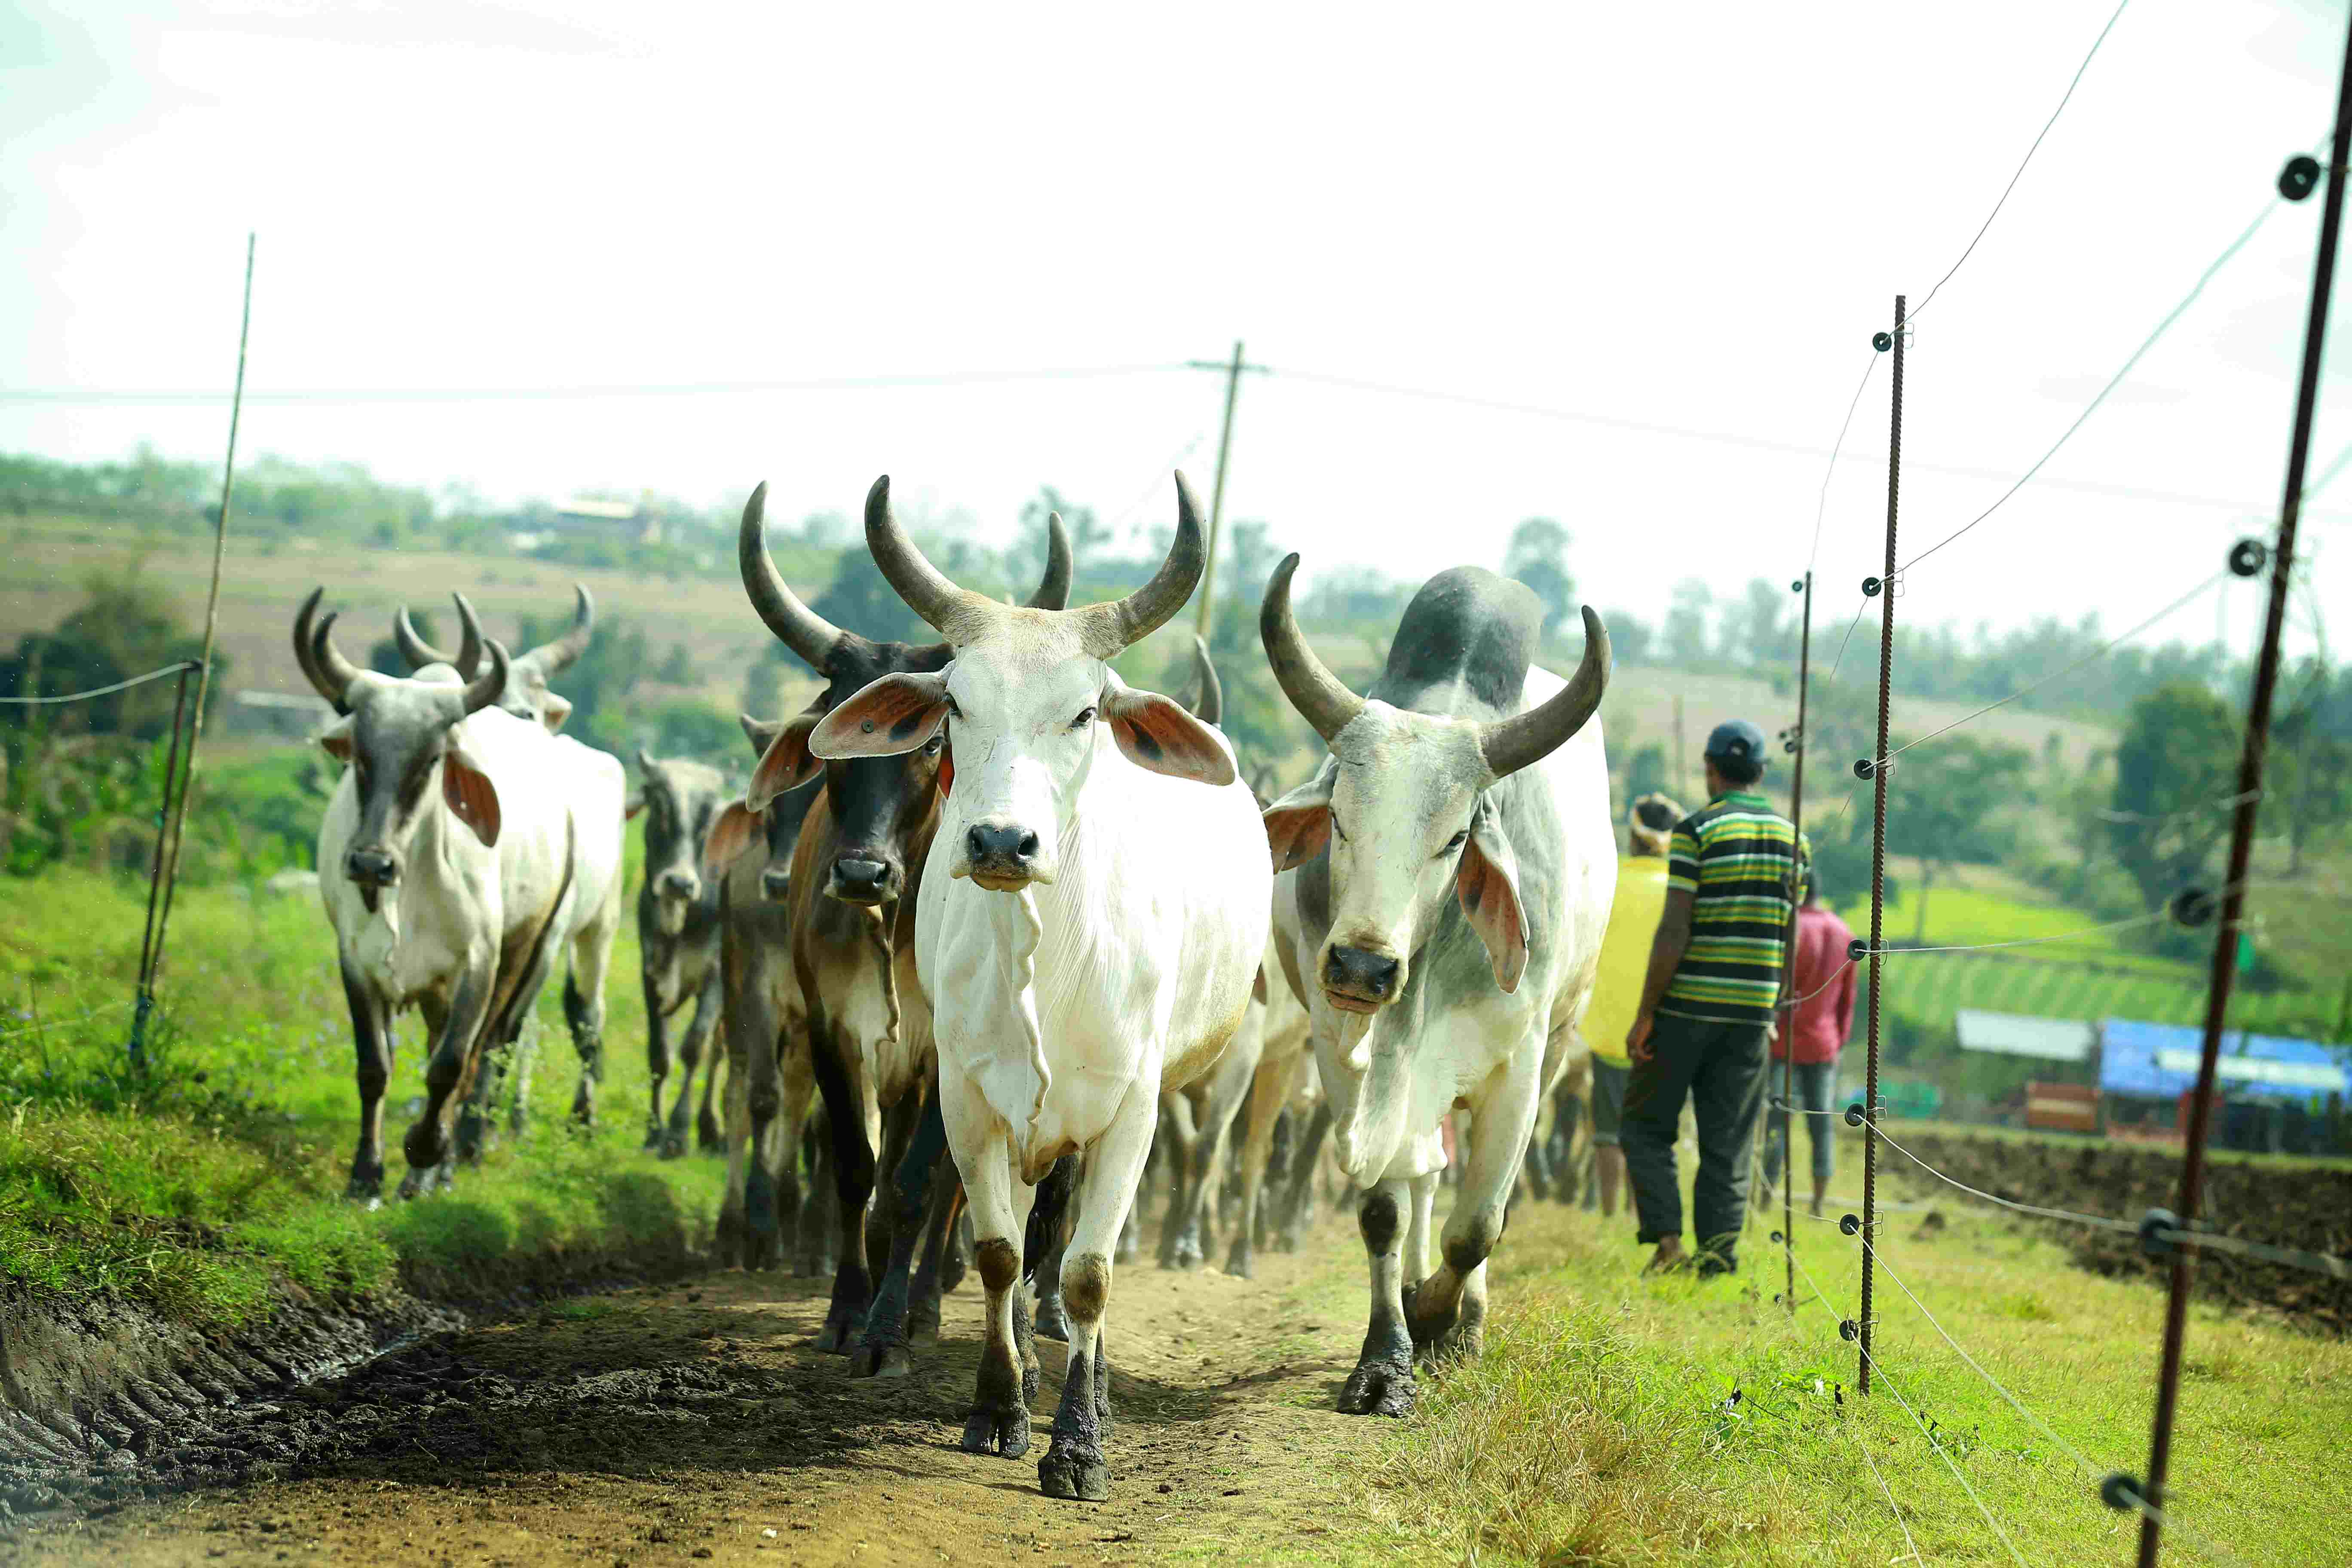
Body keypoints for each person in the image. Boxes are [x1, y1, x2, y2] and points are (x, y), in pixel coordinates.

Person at [1621, 720, 1801, 1277]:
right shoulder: (1795, 840)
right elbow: (1789, 934)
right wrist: (1773, 1007)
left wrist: (1646, 1013)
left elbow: (1675, 929)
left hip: (1684, 1010)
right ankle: (1718, 1258)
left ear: (1710, 768)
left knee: (1646, 1126)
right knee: (1729, 1142)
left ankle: (1668, 1243)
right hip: (1751, 1015)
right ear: (1761, 772)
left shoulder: (1696, 831)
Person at [1761, 867, 1856, 1219]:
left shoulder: (1792, 928)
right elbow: (1848, 1001)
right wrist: (1838, 1041)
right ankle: (1818, 1201)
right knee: (1822, 1124)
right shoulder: (1845, 933)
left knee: (1777, 1121)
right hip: (1824, 1044)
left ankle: (1765, 1197)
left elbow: (1778, 986)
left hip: (1784, 1043)